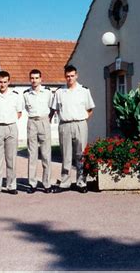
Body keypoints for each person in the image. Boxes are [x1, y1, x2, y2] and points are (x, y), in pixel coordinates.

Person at [51, 65, 95, 193]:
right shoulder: (59, 92)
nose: (70, 78)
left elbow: (90, 109)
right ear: (65, 76)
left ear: (77, 75)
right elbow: (56, 109)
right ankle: (65, 182)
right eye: (67, 76)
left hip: (80, 124)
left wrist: (82, 120)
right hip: (65, 125)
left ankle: (81, 182)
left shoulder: (84, 91)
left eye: (72, 76)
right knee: (66, 154)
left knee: (81, 154)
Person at [0, 70, 23, 196]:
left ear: (9, 82)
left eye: (5, 82)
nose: (2, 84)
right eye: (0, 82)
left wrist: (9, 121)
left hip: (11, 128)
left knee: (11, 158)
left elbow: (19, 113)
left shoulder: (15, 95)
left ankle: (11, 185)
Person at [23, 69, 55, 194]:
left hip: (44, 121)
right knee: (32, 154)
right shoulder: (26, 94)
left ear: (41, 79)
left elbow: (52, 108)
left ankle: (47, 184)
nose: (34, 80)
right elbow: (26, 108)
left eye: (36, 78)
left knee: (46, 154)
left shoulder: (47, 92)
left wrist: (48, 119)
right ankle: (32, 184)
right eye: (32, 78)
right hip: (32, 122)